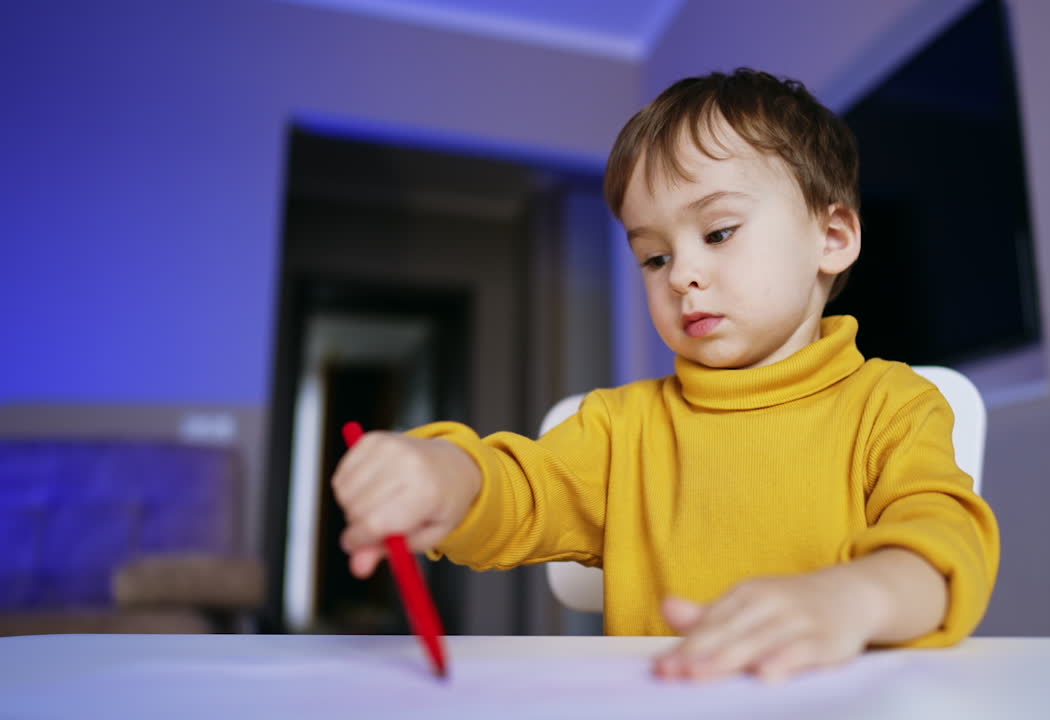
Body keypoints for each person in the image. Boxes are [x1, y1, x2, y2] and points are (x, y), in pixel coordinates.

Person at [333, 68, 1000, 683]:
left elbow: (942, 543)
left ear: (832, 238)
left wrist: (851, 598)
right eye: (654, 258)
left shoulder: (895, 406)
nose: (682, 274)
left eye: (717, 233)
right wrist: (444, 475)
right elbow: (521, 491)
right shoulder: (619, 430)